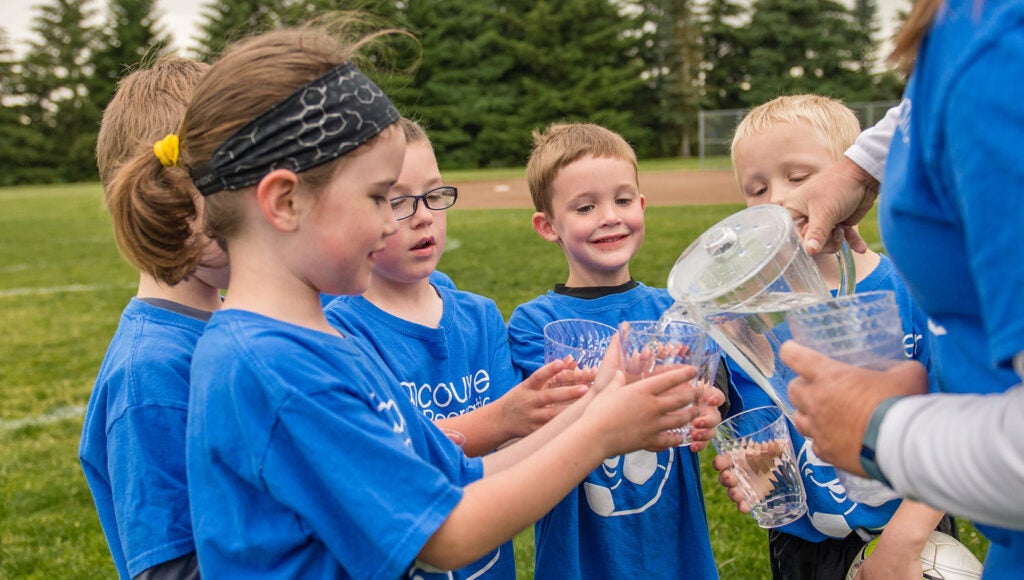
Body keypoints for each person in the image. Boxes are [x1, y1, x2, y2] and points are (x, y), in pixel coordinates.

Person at [116, 21, 700, 576]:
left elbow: (459, 475)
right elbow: (445, 535)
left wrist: (594, 406)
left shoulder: (323, 340)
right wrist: (600, 433)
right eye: (379, 198)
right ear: (285, 202)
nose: (394, 224)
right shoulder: (274, 372)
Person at [781, 0, 1024, 574]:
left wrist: (881, 432)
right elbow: (927, 109)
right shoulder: (974, 35)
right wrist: (858, 166)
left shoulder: (1000, 51)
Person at [324, 118, 585, 579]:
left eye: (434, 194)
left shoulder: (479, 316)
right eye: (399, 201)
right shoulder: (342, 331)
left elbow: (517, 443)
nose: (424, 215)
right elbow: (394, 457)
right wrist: (505, 416)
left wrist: (578, 405)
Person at [716, 94, 957, 579]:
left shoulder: (913, 290)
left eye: (799, 178)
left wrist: (905, 539)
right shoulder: (748, 318)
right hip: (804, 546)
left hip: (915, 530)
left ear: (857, 177)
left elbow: (953, 421)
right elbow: (754, 427)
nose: (777, 200)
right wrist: (755, 465)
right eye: (756, 189)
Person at [507, 122, 725, 580]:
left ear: (641, 205)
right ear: (548, 226)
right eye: (586, 207)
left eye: (623, 200)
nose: (610, 216)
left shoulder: (674, 311)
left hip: (672, 542)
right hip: (582, 552)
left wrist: (707, 413)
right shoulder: (534, 324)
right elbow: (538, 432)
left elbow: (705, 393)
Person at [78, 55, 228, 579]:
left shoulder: (236, 316)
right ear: (161, 199)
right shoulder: (151, 374)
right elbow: (170, 570)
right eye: (235, 183)